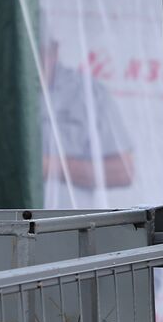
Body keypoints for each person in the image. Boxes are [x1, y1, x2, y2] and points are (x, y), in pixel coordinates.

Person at [38, 35, 135, 209]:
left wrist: (49, 166)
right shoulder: (0, 90)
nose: (33, 60)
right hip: (9, 225)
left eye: (40, 51)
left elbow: (122, 172)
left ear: (54, 50)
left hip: (70, 228)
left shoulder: (88, 93)